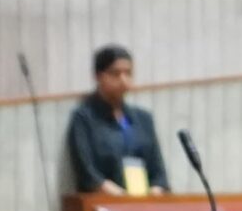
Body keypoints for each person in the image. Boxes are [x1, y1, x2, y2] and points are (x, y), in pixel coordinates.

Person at [65, 46, 170, 196]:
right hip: (104, 201)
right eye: (115, 74)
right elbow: (87, 172)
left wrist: (154, 192)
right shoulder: (84, 118)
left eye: (128, 73)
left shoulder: (143, 119)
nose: (123, 80)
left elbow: (159, 172)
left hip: (144, 201)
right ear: (98, 76)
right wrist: (121, 197)